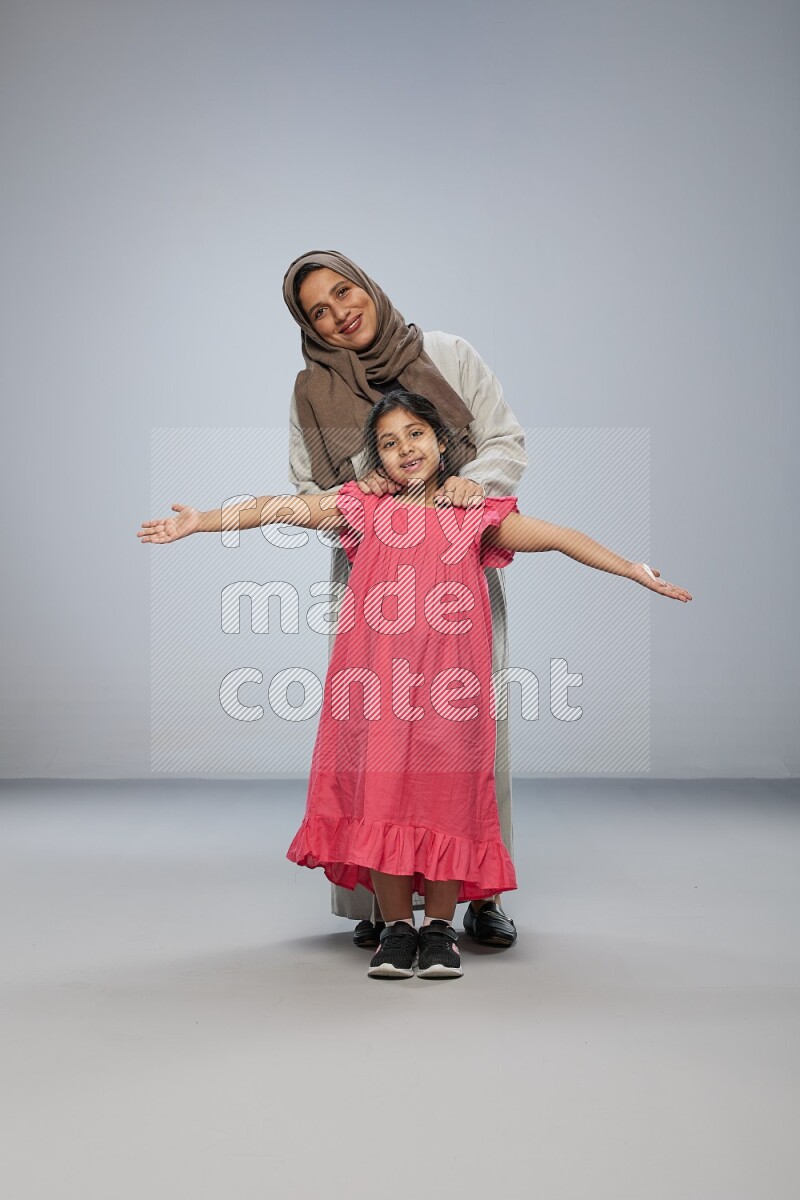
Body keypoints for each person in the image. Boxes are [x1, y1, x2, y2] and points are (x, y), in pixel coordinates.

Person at [136, 390, 692, 981]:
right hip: (375, 693)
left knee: (448, 800)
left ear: (442, 442)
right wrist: (205, 522)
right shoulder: (364, 510)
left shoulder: (475, 515)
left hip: (452, 696)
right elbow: (282, 509)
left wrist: (630, 567)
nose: (405, 448)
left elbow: (557, 536)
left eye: (416, 434)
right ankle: (398, 930)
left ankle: (439, 931)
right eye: (389, 442)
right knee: (382, 799)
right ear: (376, 460)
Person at [282, 249, 527, 952]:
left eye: (343, 291)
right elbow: (306, 489)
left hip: (458, 566)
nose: (338, 313)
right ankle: (375, 899)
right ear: (309, 326)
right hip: (375, 578)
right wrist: (370, 489)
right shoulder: (309, 392)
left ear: (368, 285)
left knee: (469, 742)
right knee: (371, 743)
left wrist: (468, 484)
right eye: (317, 311)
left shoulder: (447, 354)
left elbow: (506, 438)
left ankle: (480, 895)